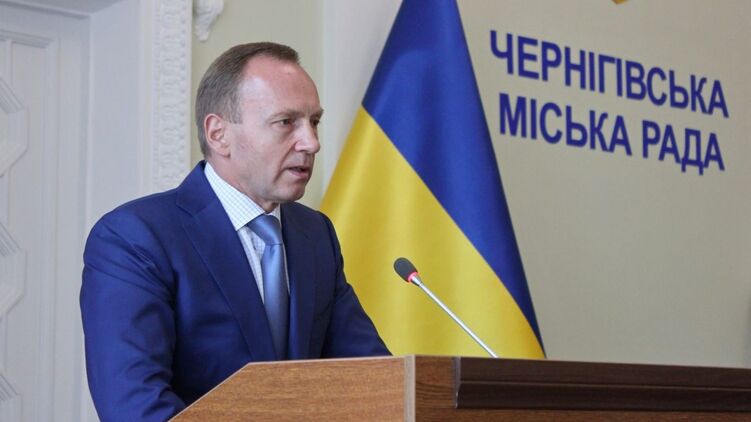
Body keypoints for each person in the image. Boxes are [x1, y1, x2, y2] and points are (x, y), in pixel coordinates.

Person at [80, 42, 389, 421]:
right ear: (218, 134)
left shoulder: (316, 234)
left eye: (314, 122)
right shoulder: (135, 237)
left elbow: (372, 379)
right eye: (286, 122)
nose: (312, 142)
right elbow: (134, 406)